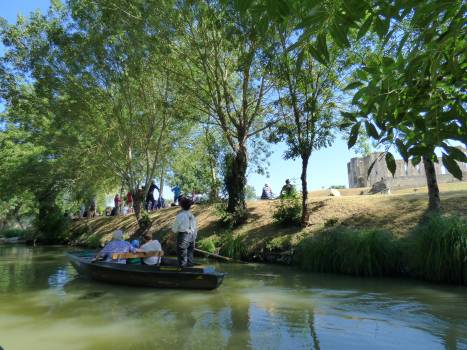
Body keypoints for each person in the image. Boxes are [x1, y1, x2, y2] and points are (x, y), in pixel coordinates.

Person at [172, 196, 197, 268]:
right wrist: (194, 239)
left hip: (183, 237)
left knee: (182, 257)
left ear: (181, 206)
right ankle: (191, 272)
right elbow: (195, 229)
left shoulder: (180, 215)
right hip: (192, 237)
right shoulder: (192, 216)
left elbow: (174, 229)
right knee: (190, 257)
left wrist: (169, 239)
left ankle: (183, 274)